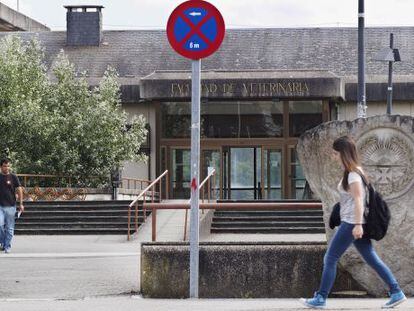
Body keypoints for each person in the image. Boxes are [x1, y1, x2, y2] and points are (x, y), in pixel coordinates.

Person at [300, 136, 406, 309]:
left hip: (351, 223)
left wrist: (357, 225)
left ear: (343, 153)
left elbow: (358, 200)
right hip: (354, 222)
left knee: (331, 258)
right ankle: (396, 292)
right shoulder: (355, 171)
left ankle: (320, 298)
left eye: (335, 153)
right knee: (371, 258)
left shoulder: (353, 174)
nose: (333, 157)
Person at [0, 158, 24, 253]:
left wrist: (21, 204)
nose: (7, 168)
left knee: (10, 228)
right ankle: (3, 242)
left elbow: (19, 190)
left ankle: (7, 246)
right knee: (0, 225)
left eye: (8, 166)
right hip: (0, 206)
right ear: (1, 167)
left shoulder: (13, 177)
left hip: (11, 205)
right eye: (5, 166)